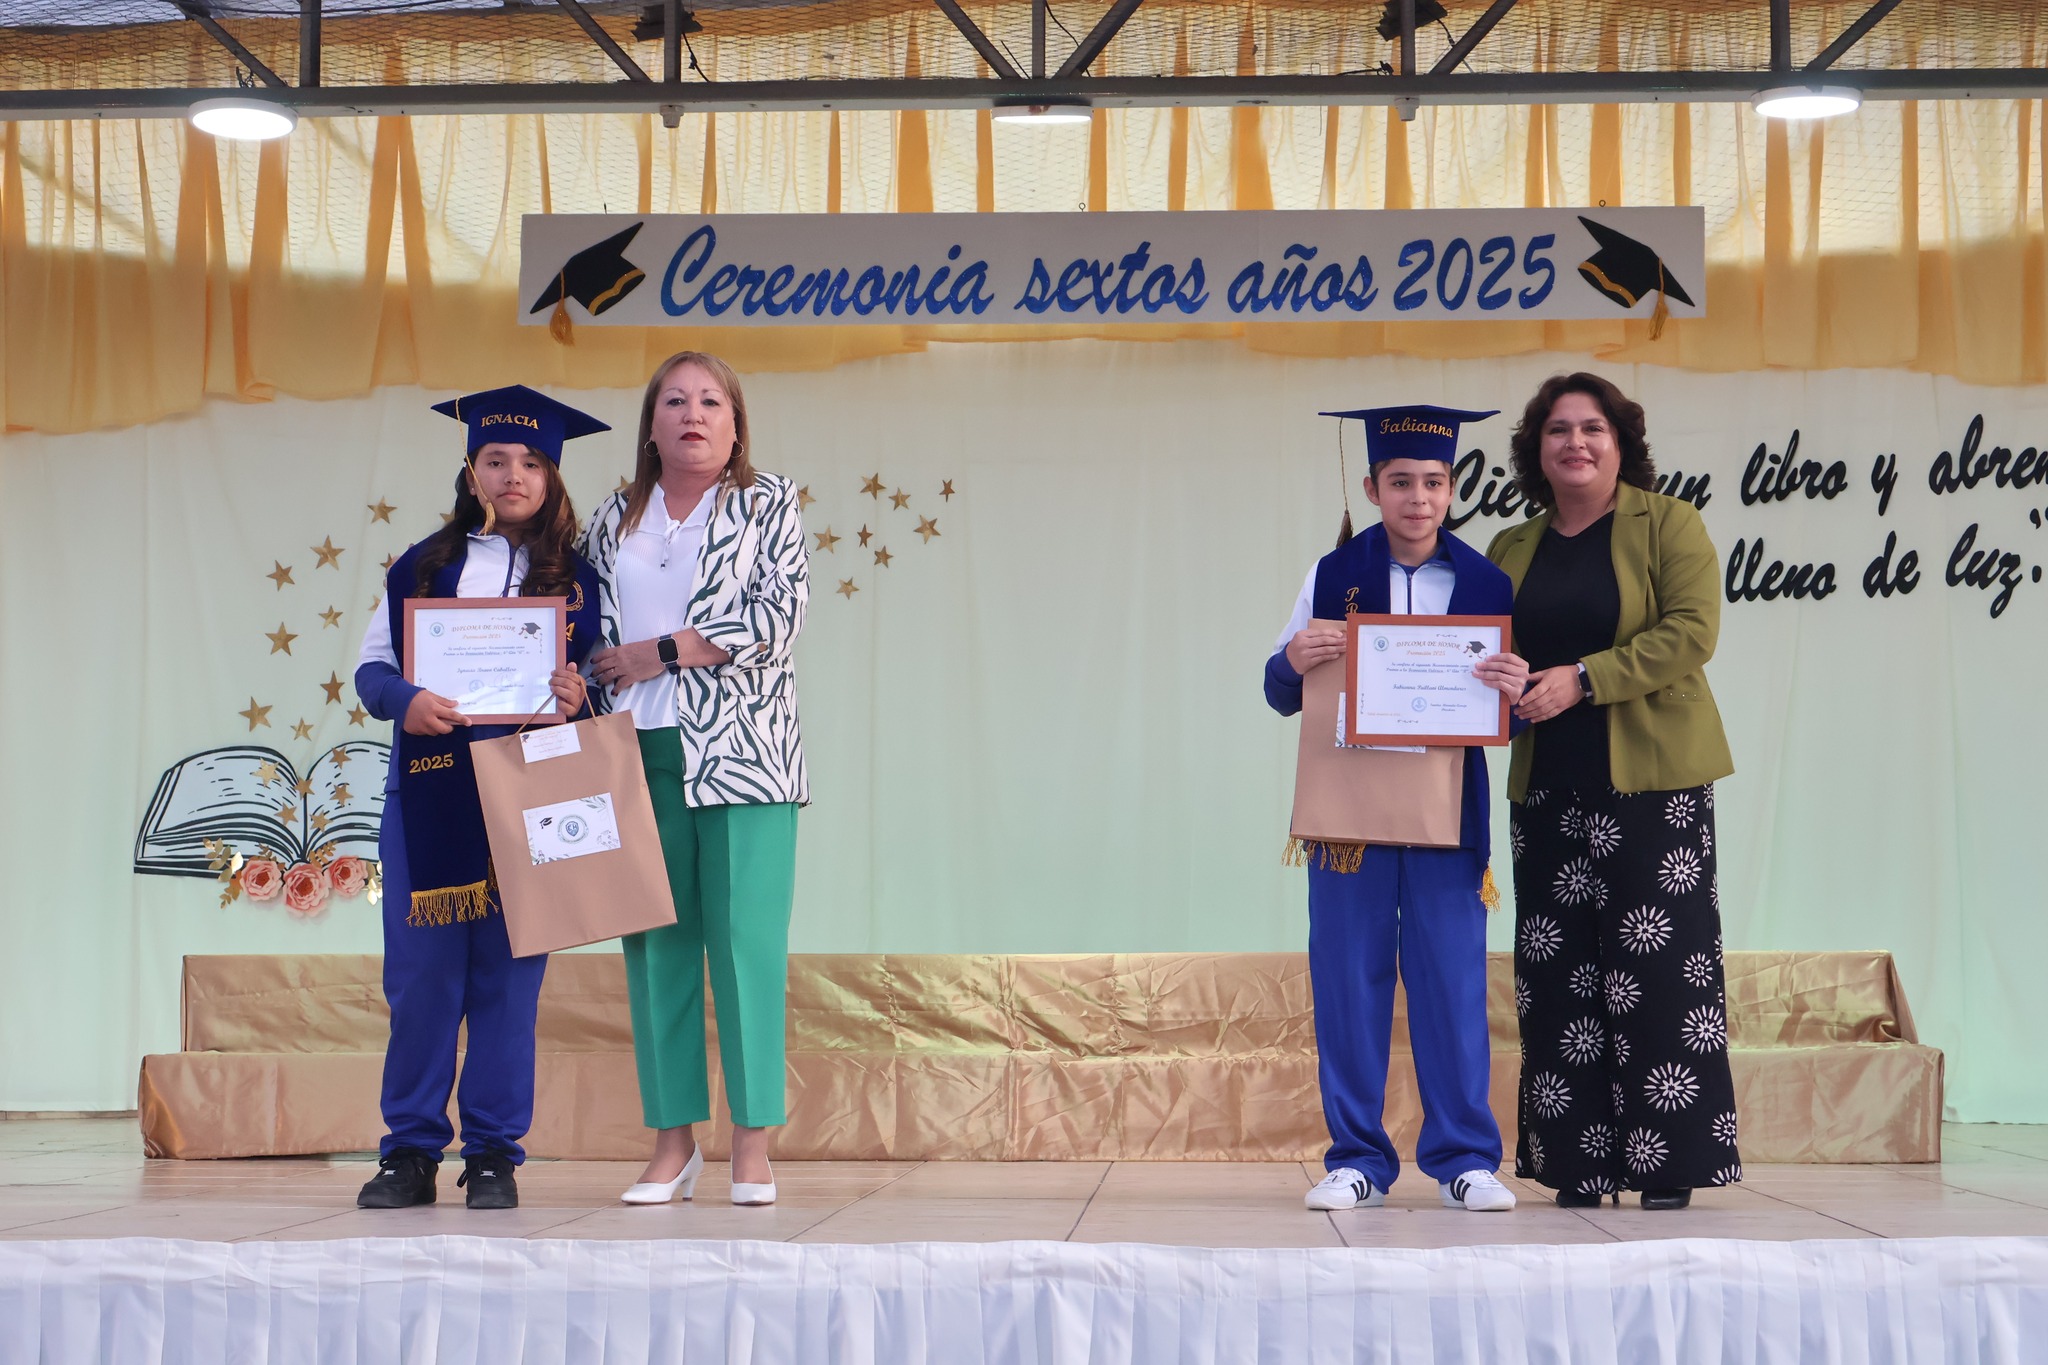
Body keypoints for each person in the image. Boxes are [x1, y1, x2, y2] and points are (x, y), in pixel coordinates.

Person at [1480, 371, 1740, 1211]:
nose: (1576, 443)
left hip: (1653, 783)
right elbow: (1485, 653)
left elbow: (1692, 631)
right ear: (1537, 450)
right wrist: (1499, 677)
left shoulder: (1669, 523)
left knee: (1662, 972)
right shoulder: (1510, 547)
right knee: (1557, 979)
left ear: (1621, 442)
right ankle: (1577, 1165)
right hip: (1546, 787)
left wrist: (1586, 680)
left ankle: (1668, 1164)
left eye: (1593, 428)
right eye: (1558, 430)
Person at [1265, 404, 1526, 1214]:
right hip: (1349, 814)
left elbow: (1509, 713)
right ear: (1373, 486)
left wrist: (1515, 694)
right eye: (1402, 482)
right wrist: (1291, 656)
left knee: (1451, 979)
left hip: (1448, 814)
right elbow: (1280, 688)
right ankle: (1355, 1158)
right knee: (1348, 976)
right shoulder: (1333, 572)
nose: (1419, 497)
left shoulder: (1486, 581)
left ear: (1453, 488)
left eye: (1435, 482)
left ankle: (1465, 1157)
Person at [352, 385, 605, 1211]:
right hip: (429, 793)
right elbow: (373, 670)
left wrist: (577, 697)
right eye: (495, 459)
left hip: (532, 797)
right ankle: (410, 1150)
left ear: (553, 476)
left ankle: (494, 1151)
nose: (512, 474)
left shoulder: (575, 582)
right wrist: (405, 702)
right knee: (422, 979)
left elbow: (596, 690)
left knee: (509, 980)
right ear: (470, 470)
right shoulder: (421, 565)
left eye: (531, 461)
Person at [579, 351, 808, 1207]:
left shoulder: (768, 502)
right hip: (635, 751)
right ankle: (673, 1141)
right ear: (650, 424)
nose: (693, 413)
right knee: (654, 947)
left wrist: (659, 652)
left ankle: (752, 1143)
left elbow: (777, 619)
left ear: (735, 422)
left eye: (711, 400)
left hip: (747, 757)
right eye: (675, 400)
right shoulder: (612, 518)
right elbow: (578, 622)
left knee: (746, 947)